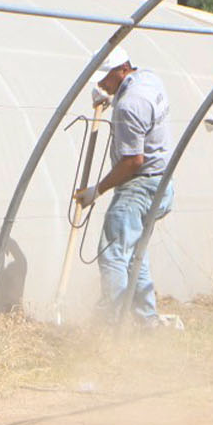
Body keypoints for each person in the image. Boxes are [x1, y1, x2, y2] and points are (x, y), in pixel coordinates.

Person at [73, 49, 175, 326]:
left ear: (121, 70)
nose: (100, 85)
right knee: (134, 257)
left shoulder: (130, 104)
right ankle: (147, 324)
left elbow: (132, 161)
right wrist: (112, 98)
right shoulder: (149, 79)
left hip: (138, 187)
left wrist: (97, 190)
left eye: (104, 79)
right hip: (161, 184)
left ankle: (111, 328)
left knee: (112, 254)